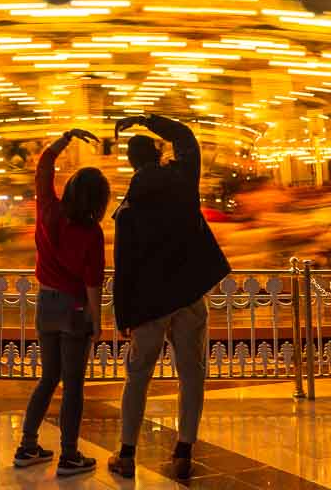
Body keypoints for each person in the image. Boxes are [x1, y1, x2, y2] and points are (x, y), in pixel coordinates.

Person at [107, 114, 230, 481]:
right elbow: (187, 136)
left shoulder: (127, 210)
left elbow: (124, 267)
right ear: (159, 154)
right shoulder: (182, 180)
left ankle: (127, 453)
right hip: (188, 296)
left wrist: (123, 316)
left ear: (131, 164)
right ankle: (183, 451)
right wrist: (147, 120)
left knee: (138, 376)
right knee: (191, 374)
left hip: (148, 305)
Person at [14, 128, 107, 478]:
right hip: (75, 309)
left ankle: (27, 445)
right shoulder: (91, 233)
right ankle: (69, 455)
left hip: (46, 304)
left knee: (48, 377)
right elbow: (93, 281)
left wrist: (65, 138)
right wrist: (98, 322)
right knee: (73, 384)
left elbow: (43, 168)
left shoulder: (48, 210)